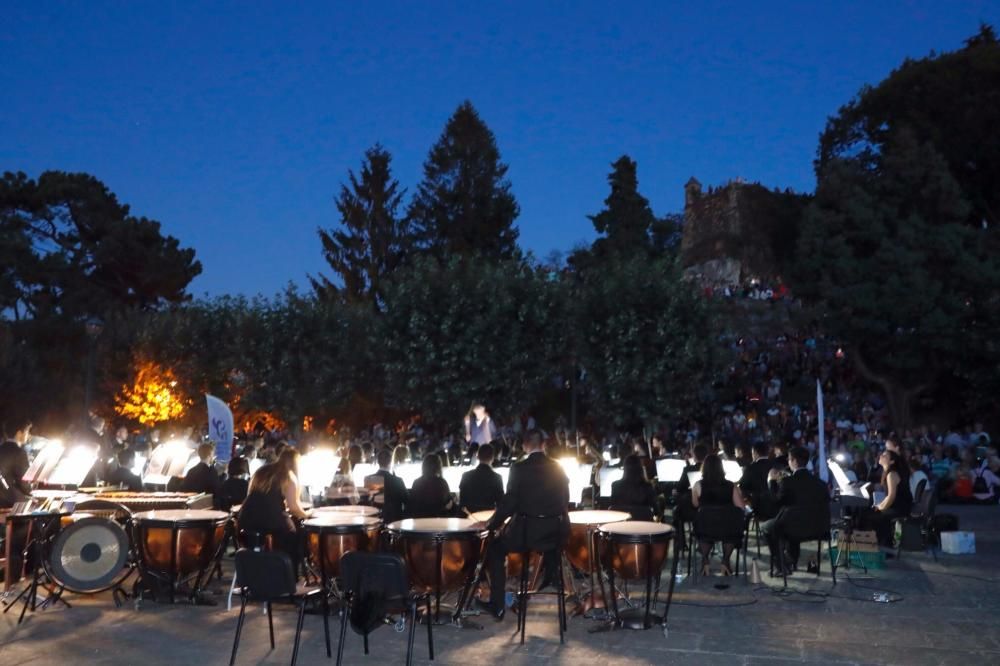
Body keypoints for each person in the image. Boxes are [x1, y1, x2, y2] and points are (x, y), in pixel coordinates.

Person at [478, 429, 570, 620]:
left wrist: (491, 524)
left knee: (495, 549)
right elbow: (564, 501)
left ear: (525, 445)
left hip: (526, 535)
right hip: (554, 535)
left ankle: (497, 605)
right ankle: (551, 577)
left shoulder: (518, 469)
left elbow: (509, 504)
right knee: (543, 544)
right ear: (543, 445)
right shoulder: (558, 468)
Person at [761, 446, 829, 572]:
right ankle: (791, 559)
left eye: (789, 460)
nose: (788, 462)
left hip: (793, 527)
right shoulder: (821, 484)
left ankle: (781, 563)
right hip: (818, 528)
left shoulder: (787, 482)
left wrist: (771, 482)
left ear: (795, 461)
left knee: (766, 527)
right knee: (793, 518)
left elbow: (775, 502)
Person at [237, 449, 310, 565]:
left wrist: (283, 513)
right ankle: (290, 574)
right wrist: (308, 515)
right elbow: (294, 508)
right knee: (297, 536)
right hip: (269, 525)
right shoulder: (288, 476)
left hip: (245, 521)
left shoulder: (262, 471)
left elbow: (254, 497)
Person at [692, 454, 746, 576]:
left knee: (704, 530)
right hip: (727, 528)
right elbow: (741, 508)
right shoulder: (731, 485)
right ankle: (726, 561)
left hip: (705, 527)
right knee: (731, 531)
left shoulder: (697, 485)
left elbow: (695, 505)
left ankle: (705, 559)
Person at [861, 450, 913, 547]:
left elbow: (891, 496)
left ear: (892, 461)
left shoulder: (892, 474)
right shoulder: (887, 473)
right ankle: (881, 544)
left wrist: (881, 507)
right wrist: (879, 506)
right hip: (897, 505)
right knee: (872, 512)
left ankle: (884, 546)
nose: (881, 455)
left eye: (885, 455)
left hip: (901, 507)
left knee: (875, 516)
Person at [366, 448, 408, 523]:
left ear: (378, 462)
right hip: (394, 520)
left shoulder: (369, 479)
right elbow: (407, 501)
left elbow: (368, 502)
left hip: (376, 519)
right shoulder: (397, 480)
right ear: (390, 462)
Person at [459, 444, 504, 513]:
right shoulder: (497, 478)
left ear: (478, 457)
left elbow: (462, 502)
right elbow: (500, 503)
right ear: (492, 458)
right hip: (488, 517)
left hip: (469, 515)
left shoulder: (466, 476)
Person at [610, 454, 657, 519]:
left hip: (621, 525)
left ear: (625, 469)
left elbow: (613, 508)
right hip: (643, 525)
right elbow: (655, 510)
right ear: (640, 468)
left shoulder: (615, 485)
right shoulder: (647, 486)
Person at [739, 440, 777, 520]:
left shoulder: (750, 468)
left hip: (758, 506)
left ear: (755, 453)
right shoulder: (777, 465)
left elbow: (743, 486)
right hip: (777, 505)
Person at [181, 443, 223, 507]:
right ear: (210, 455)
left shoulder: (191, 471)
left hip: (191, 506)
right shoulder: (211, 471)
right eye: (213, 454)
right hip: (206, 507)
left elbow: (185, 489)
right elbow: (216, 491)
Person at [0, 421, 32, 497]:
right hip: (10, 498)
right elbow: (23, 481)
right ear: (19, 433)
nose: (29, 435)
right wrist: (31, 492)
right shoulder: (20, 452)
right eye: (27, 432)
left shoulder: (1, 448)